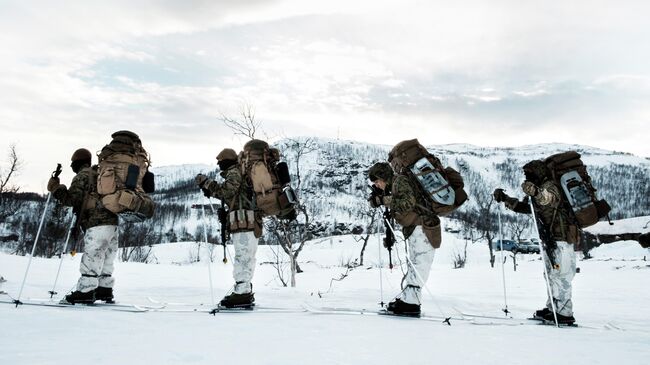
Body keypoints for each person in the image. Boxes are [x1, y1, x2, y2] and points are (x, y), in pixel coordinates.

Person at [494, 160, 578, 325]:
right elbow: (527, 208)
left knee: (562, 275)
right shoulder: (537, 189)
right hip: (549, 239)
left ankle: (565, 312)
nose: (527, 177)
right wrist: (505, 199)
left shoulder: (551, 185)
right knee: (550, 275)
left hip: (561, 238)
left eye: (530, 173)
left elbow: (549, 199)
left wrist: (536, 192)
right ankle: (553, 307)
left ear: (539, 172)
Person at [48, 148, 119, 304]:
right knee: (107, 257)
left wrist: (55, 188)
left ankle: (85, 292)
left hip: (96, 222)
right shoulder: (100, 174)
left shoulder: (82, 176)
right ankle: (104, 289)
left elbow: (72, 200)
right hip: (113, 221)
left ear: (77, 162)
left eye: (72, 163)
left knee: (93, 255)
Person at [367, 162, 439, 316]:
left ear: (384, 177)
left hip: (422, 227)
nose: (377, 185)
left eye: (377, 182)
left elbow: (408, 202)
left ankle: (411, 304)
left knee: (419, 264)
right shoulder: (394, 185)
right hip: (416, 228)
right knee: (415, 264)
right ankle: (410, 300)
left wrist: (382, 200)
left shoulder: (400, 181)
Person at [195, 148, 261, 309]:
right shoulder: (240, 172)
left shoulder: (235, 172)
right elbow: (232, 194)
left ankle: (242, 293)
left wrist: (207, 183)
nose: (218, 164)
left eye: (220, 161)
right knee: (246, 256)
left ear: (227, 161)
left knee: (243, 257)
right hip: (248, 221)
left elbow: (227, 191)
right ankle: (243, 289)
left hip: (244, 221)